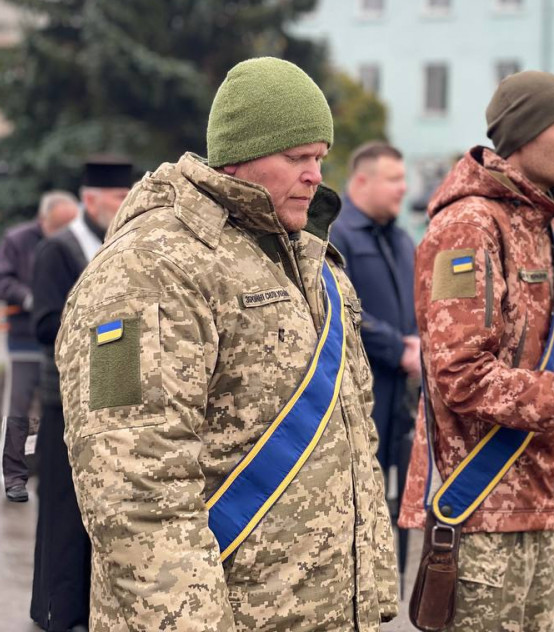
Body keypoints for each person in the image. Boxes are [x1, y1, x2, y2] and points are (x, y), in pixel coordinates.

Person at [55, 58, 397, 631]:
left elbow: (354, 435)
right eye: (296, 158)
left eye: (319, 157)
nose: (315, 175)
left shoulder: (313, 263)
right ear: (239, 156)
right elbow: (135, 489)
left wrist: (372, 588)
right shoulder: (153, 266)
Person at [398, 70, 554, 630]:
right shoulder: (468, 226)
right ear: (526, 133)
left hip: (538, 510)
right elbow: (460, 375)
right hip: (479, 511)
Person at [31, 159, 133, 632]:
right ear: (90, 201)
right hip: (64, 405)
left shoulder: (124, 248)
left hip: (111, 399)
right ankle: (58, 611)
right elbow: (46, 325)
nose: (124, 205)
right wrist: (111, 330)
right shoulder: (59, 251)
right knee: (62, 512)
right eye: (116, 199)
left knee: (104, 512)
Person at [329, 141, 418, 579]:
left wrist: (419, 341)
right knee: (358, 497)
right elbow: (338, 312)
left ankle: (389, 583)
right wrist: (397, 347)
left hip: (400, 398)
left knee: (396, 496)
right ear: (361, 181)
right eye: (394, 179)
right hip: (359, 395)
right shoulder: (336, 238)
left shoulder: (402, 240)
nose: (404, 188)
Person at [0, 190, 79, 503]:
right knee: (20, 410)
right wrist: (28, 297)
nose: (66, 231)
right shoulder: (17, 240)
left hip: (64, 341)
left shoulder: (75, 243)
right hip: (25, 339)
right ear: (43, 220)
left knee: (49, 411)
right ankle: (14, 477)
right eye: (59, 224)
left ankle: (42, 471)